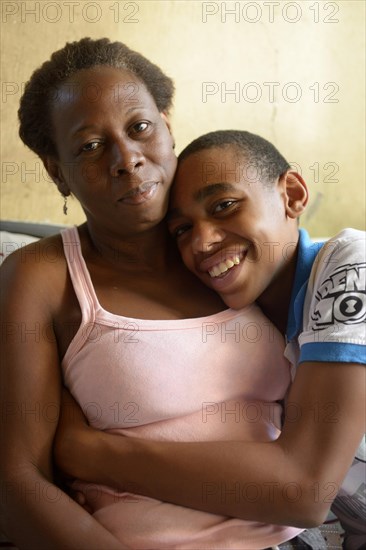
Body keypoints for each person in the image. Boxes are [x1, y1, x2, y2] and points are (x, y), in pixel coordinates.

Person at [0, 39, 306, 549]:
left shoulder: (234, 251)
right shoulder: (43, 275)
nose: (127, 159)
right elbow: (17, 480)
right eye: (90, 147)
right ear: (58, 171)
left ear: (166, 125)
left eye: (139, 128)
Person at [54, 131, 366, 549]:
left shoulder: (351, 268)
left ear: (292, 194)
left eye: (224, 206)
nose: (202, 242)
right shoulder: (256, 316)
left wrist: (90, 454)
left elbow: (302, 491)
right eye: (182, 229)